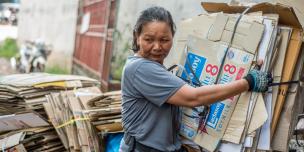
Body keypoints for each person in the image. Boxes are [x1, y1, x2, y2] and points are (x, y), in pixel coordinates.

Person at [119, 6, 272, 152]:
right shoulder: (141, 69)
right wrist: (248, 82)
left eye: (164, 40)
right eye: (149, 39)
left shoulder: (154, 68)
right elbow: (194, 98)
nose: (157, 47)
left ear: (172, 37)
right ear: (136, 37)